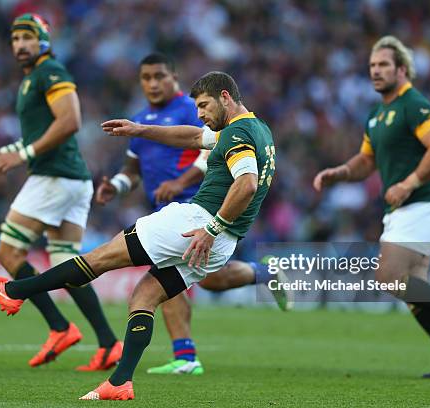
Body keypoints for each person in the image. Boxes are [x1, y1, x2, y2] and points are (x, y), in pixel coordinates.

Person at [0, 71, 275, 400]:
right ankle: (120, 383)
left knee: (99, 258)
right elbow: (192, 138)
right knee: (144, 297)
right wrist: (141, 130)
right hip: (224, 242)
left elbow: (245, 184)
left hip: (198, 222)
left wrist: (210, 227)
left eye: (204, 106)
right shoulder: (256, 129)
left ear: (226, 98)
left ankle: (15, 290)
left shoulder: (237, 133)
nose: (200, 114)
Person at [96, 53, 292, 375]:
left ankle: (185, 356)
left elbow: (213, 153)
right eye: (146, 78)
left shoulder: (195, 109)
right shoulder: (140, 117)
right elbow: (132, 170)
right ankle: (263, 275)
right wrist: (116, 187)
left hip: (199, 203)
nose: (153, 83)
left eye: (159, 76)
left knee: (180, 278)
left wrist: (181, 181)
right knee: (207, 280)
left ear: (173, 76)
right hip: (166, 207)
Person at [313, 36, 430, 379]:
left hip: (424, 203)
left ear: (402, 69)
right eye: (372, 66)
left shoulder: (413, 104)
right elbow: (366, 160)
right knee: (413, 290)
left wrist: (410, 182)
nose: (376, 71)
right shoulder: (377, 114)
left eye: (384, 65)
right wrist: (341, 173)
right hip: (405, 209)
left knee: (388, 276)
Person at [0, 13, 122, 371]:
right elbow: (41, 131)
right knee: (65, 264)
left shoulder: (50, 72)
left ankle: (58, 327)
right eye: (15, 39)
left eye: (28, 37)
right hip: (72, 179)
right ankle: (108, 342)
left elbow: (70, 121)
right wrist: (0, 154)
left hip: (53, 177)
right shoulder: (33, 79)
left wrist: (22, 155)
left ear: (44, 40)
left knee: (8, 252)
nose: (20, 44)